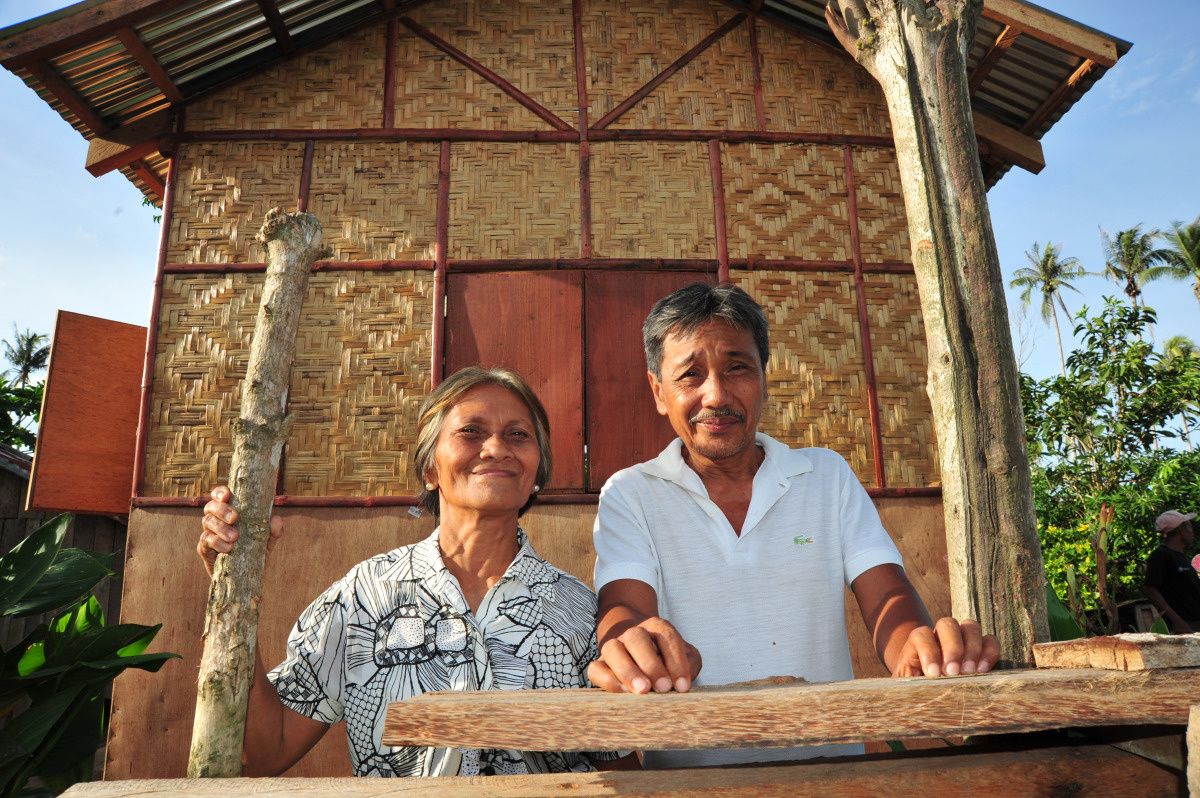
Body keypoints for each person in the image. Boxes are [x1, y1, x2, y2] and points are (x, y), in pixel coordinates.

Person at [586, 282, 1000, 768]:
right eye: (690, 375)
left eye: (737, 367)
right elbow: (624, 606)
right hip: (693, 785)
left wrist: (918, 646)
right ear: (659, 391)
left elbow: (887, 595)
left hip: (831, 776)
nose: (716, 395)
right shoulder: (631, 492)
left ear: (764, 378)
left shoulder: (825, 475)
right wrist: (632, 645)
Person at [199, 367, 627, 776]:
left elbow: (619, 766)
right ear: (429, 468)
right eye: (471, 431)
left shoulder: (578, 612)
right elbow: (267, 750)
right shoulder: (363, 596)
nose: (497, 448)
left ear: (537, 472)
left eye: (518, 435)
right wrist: (232, 585)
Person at [1144, 509, 1200, 634]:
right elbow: (1150, 589)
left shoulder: (1181, 556)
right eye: (1190, 528)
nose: (1192, 532)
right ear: (1181, 531)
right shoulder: (1160, 556)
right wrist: (1177, 621)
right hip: (1187, 625)